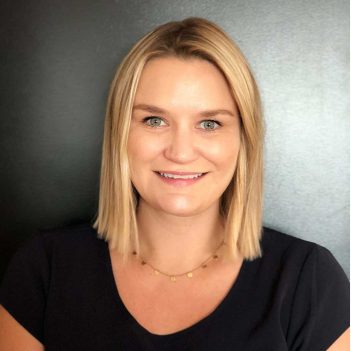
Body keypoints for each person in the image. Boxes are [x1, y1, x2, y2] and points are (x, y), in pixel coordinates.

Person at [0, 17, 349, 351]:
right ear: (120, 133)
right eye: (154, 120)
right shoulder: (45, 269)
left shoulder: (308, 282)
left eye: (210, 124)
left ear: (244, 140)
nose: (180, 152)